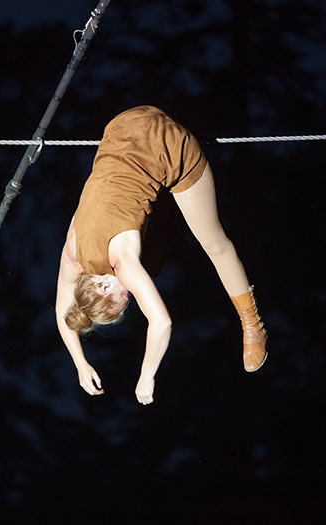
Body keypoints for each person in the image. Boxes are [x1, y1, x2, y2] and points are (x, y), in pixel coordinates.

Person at [55, 106, 267, 405]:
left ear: (103, 286)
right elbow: (62, 308)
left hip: (168, 144)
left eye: (123, 298)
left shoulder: (121, 263)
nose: (130, 295)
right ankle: (165, 215)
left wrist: (146, 375)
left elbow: (162, 323)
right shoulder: (72, 253)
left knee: (214, 244)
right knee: (151, 258)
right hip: (122, 125)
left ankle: (252, 324)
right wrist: (80, 363)